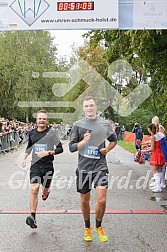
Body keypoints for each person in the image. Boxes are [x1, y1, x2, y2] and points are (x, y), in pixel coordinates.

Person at [69, 96, 117, 242]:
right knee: (85, 200)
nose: (89, 108)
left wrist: (107, 149)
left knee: (101, 200)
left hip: (100, 166)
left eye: (91, 105)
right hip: (84, 167)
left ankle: (98, 225)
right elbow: (71, 147)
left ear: (96, 107)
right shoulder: (78, 125)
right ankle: (87, 227)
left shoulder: (104, 124)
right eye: (86, 106)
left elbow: (114, 140)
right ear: (83, 108)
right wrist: (83, 141)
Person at [22, 110, 63, 228]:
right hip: (35, 166)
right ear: (36, 120)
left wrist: (48, 152)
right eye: (40, 118)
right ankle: (32, 217)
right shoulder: (32, 133)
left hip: (48, 166)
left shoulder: (52, 133)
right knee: (34, 189)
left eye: (44, 119)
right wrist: (24, 158)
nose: (42, 121)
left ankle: (46, 192)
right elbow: (29, 148)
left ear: (47, 121)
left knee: (44, 191)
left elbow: (60, 149)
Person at [141, 123, 167, 192]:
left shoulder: (153, 137)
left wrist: (143, 151)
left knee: (153, 171)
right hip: (161, 154)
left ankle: (157, 186)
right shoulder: (160, 135)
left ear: (149, 130)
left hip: (156, 154)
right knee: (159, 170)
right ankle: (158, 186)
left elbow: (152, 148)